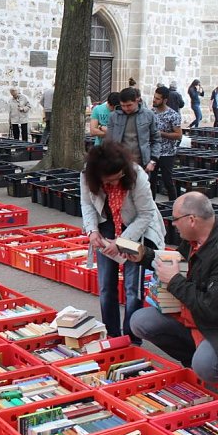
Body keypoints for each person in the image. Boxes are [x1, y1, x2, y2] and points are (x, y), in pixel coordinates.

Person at [128, 192, 218, 392]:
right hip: (197, 316)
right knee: (140, 321)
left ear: (191, 220)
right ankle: (196, 359)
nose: (173, 224)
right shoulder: (196, 239)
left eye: (175, 219)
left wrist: (174, 280)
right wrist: (143, 256)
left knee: (206, 366)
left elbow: (212, 310)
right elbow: (176, 262)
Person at [80, 142, 165, 343]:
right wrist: (92, 231)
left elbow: (146, 214)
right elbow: (87, 204)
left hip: (136, 228)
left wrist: (122, 242)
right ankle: (112, 334)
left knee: (132, 287)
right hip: (106, 223)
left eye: (119, 176)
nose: (116, 181)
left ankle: (132, 337)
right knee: (106, 285)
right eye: (110, 179)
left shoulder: (136, 175)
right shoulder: (87, 175)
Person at [106, 87, 159, 172]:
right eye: (123, 106)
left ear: (137, 101)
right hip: (119, 163)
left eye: (129, 105)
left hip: (143, 163)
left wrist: (153, 161)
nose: (126, 108)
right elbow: (109, 141)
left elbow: (156, 140)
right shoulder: (114, 116)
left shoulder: (149, 115)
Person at [151, 86, 182, 201]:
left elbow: (178, 135)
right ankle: (152, 205)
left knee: (167, 181)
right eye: (154, 97)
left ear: (164, 100)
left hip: (167, 153)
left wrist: (161, 134)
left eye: (157, 98)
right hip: (153, 151)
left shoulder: (173, 115)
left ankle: (174, 204)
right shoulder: (150, 113)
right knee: (151, 181)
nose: (154, 100)